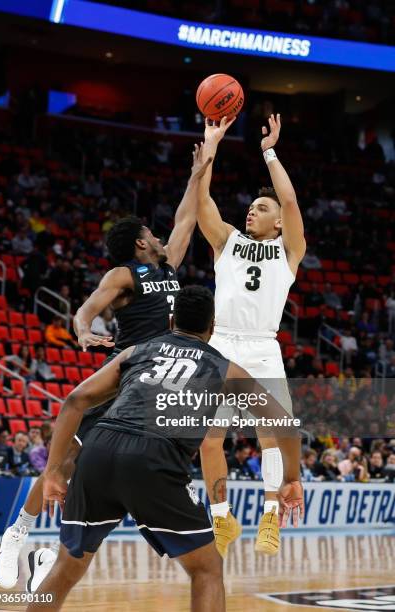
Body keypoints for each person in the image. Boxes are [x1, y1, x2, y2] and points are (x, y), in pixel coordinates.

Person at [0, 144, 214, 592]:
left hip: (161, 379)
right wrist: (81, 329)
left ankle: (141, 513)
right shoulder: (123, 275)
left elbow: (186, 219)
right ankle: (18, 531)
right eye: (151, 233)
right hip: (125, 380)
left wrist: (198, 171)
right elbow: (86, 308)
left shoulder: (168, 264)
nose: (158, 236)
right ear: (139, 242)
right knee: (68, 459)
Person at [26, 286, 303, 612]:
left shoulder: (137, 351)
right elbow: (284, 425)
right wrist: (291, 478)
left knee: (67, 565)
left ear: (171, 320)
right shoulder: (226, 369)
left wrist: (55, 470)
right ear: (211, 327)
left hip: (98, 450)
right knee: (207, 569)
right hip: (154, 457)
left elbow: (75, 400)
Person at [197, 114, 306, 555]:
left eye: (262, 208)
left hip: (263, 345)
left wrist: (269, 152)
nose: (252, 210)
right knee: (208, 439)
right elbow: (201, 200)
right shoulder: (226, 241)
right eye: (252, 206)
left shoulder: (288, 251)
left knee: (272, 436)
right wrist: (211, 146)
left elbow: (292, 201)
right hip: (221, 341)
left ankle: (269, 518)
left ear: (278, 223)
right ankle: (222, 521)